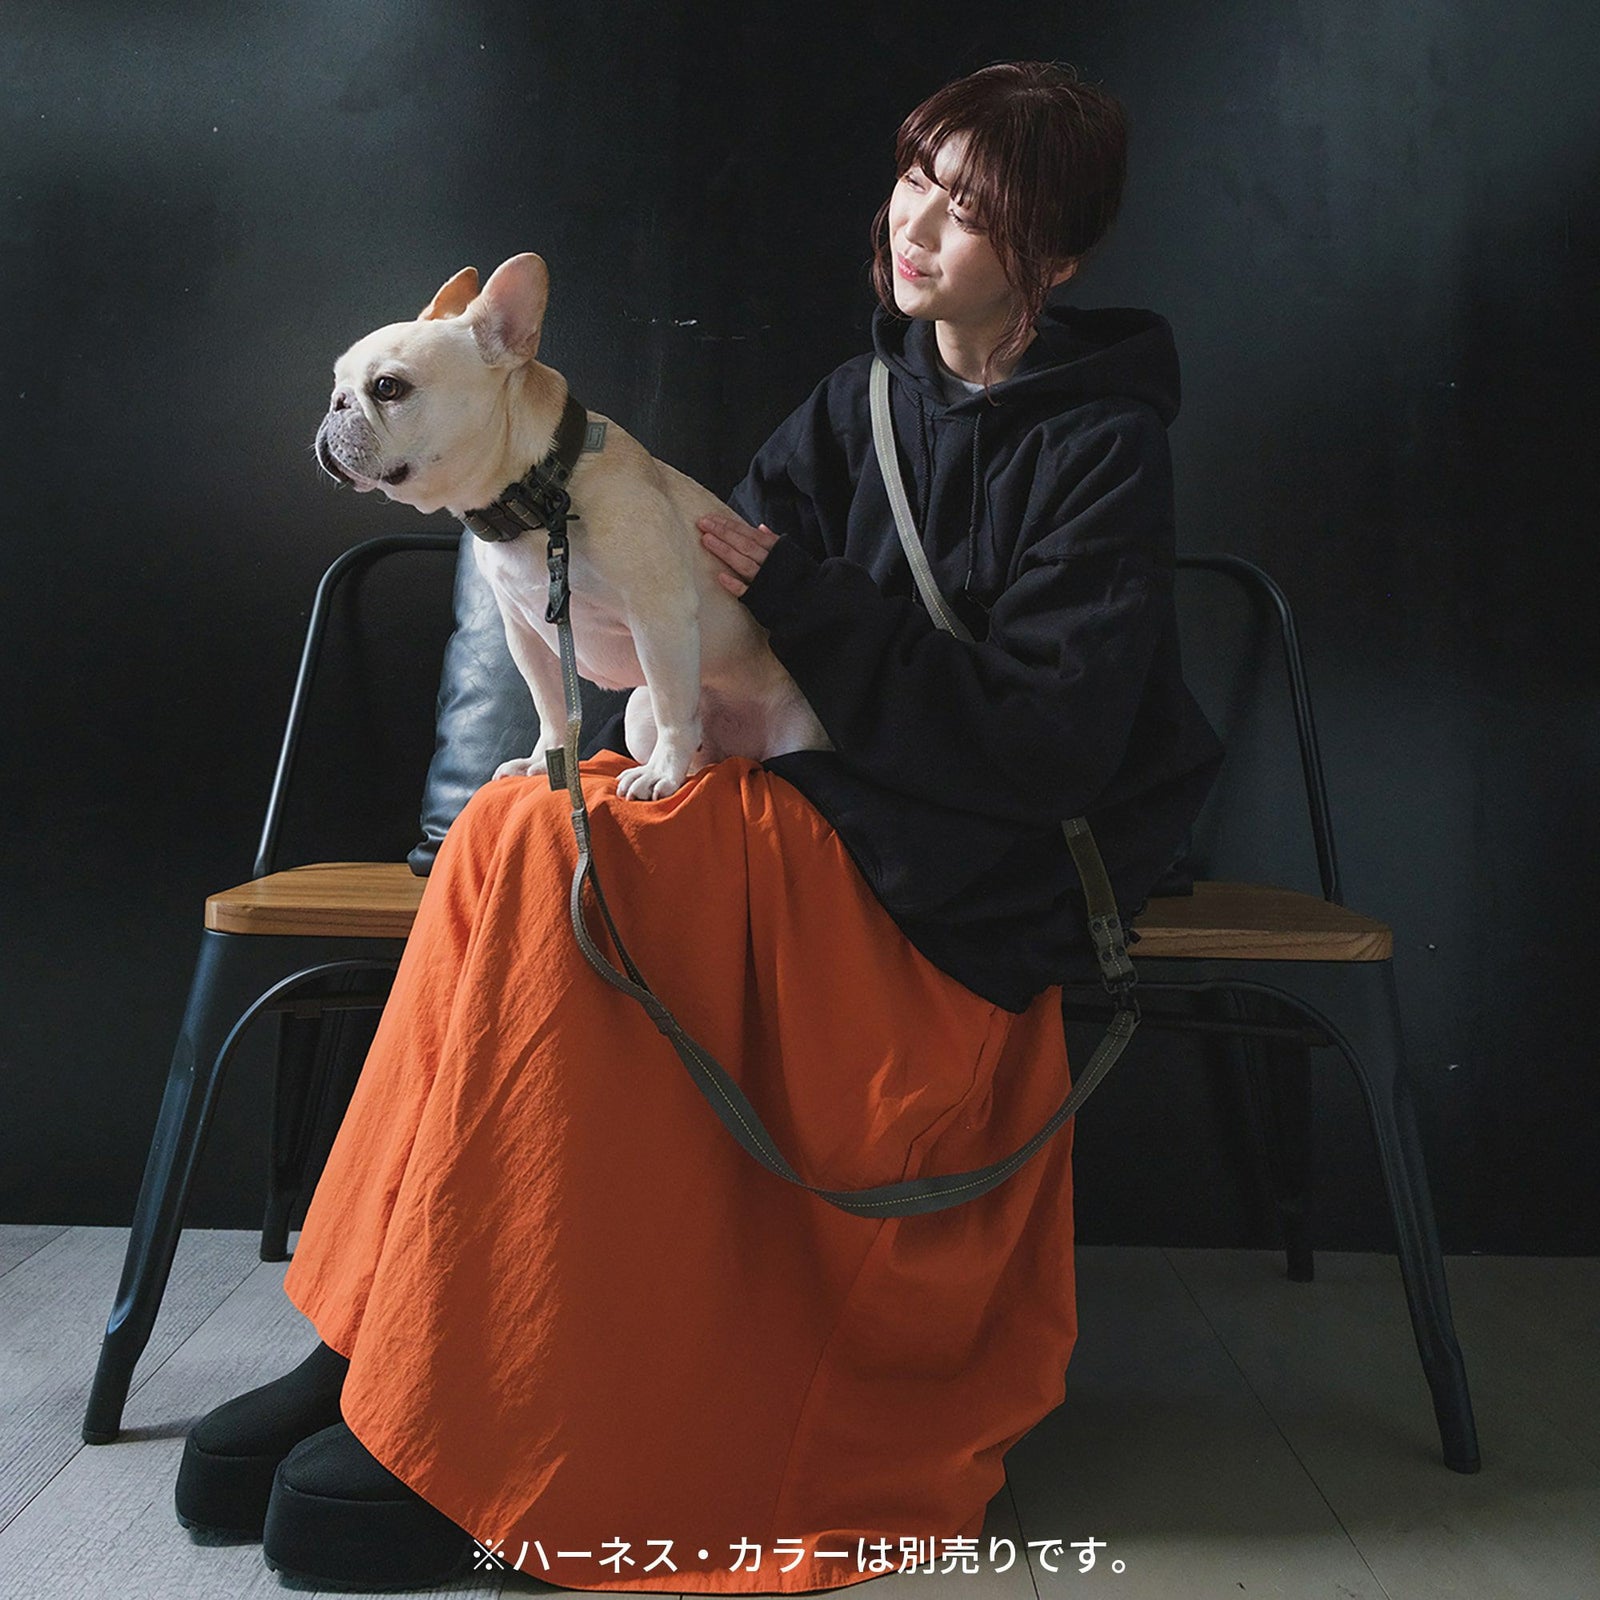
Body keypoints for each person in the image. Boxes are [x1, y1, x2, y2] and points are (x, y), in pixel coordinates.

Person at [174, 60, 1222, 1594]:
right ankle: (380, 1334)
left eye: (971, 206)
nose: (918, 224)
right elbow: (699, 593)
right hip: (817, 798)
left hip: (966, 873)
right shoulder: (857, 404)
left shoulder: (1103, 446)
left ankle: (472, 1391)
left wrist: (807, 599)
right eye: (915, 179)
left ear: (1053, 256)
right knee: (516, 825)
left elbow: (1043, 745)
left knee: (566, 855)